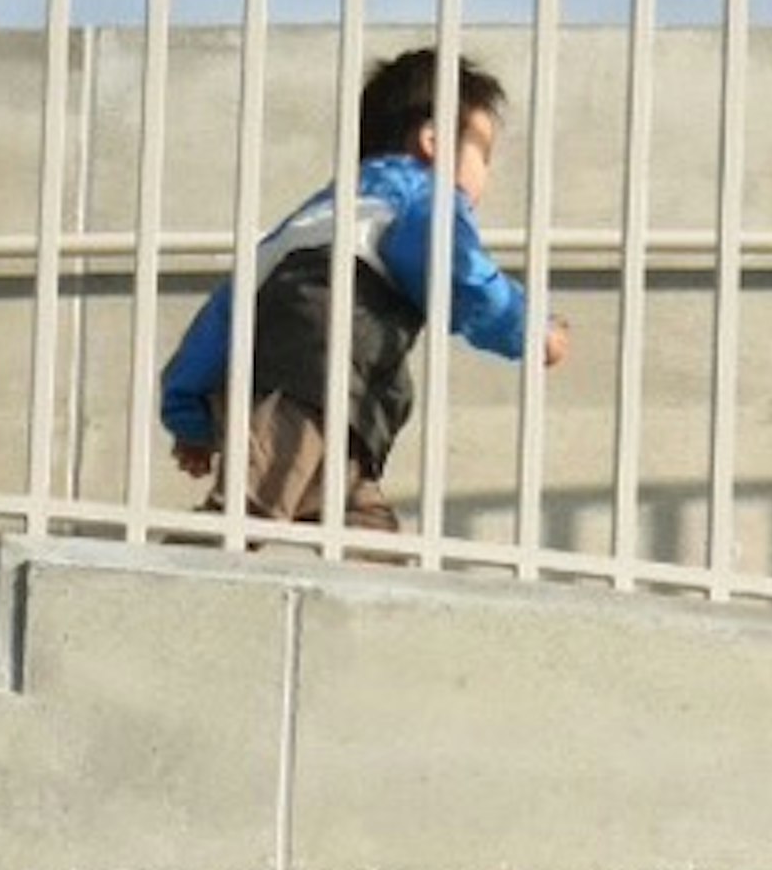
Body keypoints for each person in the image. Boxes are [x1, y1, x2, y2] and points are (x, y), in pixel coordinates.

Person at [160, 46, 568, 529]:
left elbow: (221, 317)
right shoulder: (422, 197)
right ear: (433, 142)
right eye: (484, 154)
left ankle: (383, 585)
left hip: (333, 401)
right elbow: (462, 277)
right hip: (307, 378)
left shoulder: (314, 218)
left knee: (360, 524)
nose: (487, 174)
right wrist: (531, 329)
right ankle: (143, 598)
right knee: (247, 513)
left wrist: (191, 416)